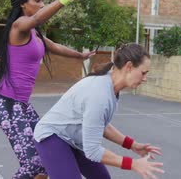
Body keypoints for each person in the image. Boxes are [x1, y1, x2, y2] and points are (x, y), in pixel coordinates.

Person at [0, 0, 95, 179]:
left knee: (46, 154)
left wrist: (79, 56)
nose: (42, 4)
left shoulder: (34, 34)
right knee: (33, 164)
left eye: (43, 0)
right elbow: (36, 19)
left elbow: (54, 46)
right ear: (22, 4)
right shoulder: (19, 26)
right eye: (37, 0)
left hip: (22, 105)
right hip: (5, 104)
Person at [33, 43, 164, 179]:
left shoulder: (110, 85)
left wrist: (133, 145)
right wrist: (133, 164)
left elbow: (99, 125)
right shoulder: (100, 94)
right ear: (129, 67)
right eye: (143, 73)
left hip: (73, 139)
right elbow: (93, 152)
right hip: (52, 136)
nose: (145, 78)